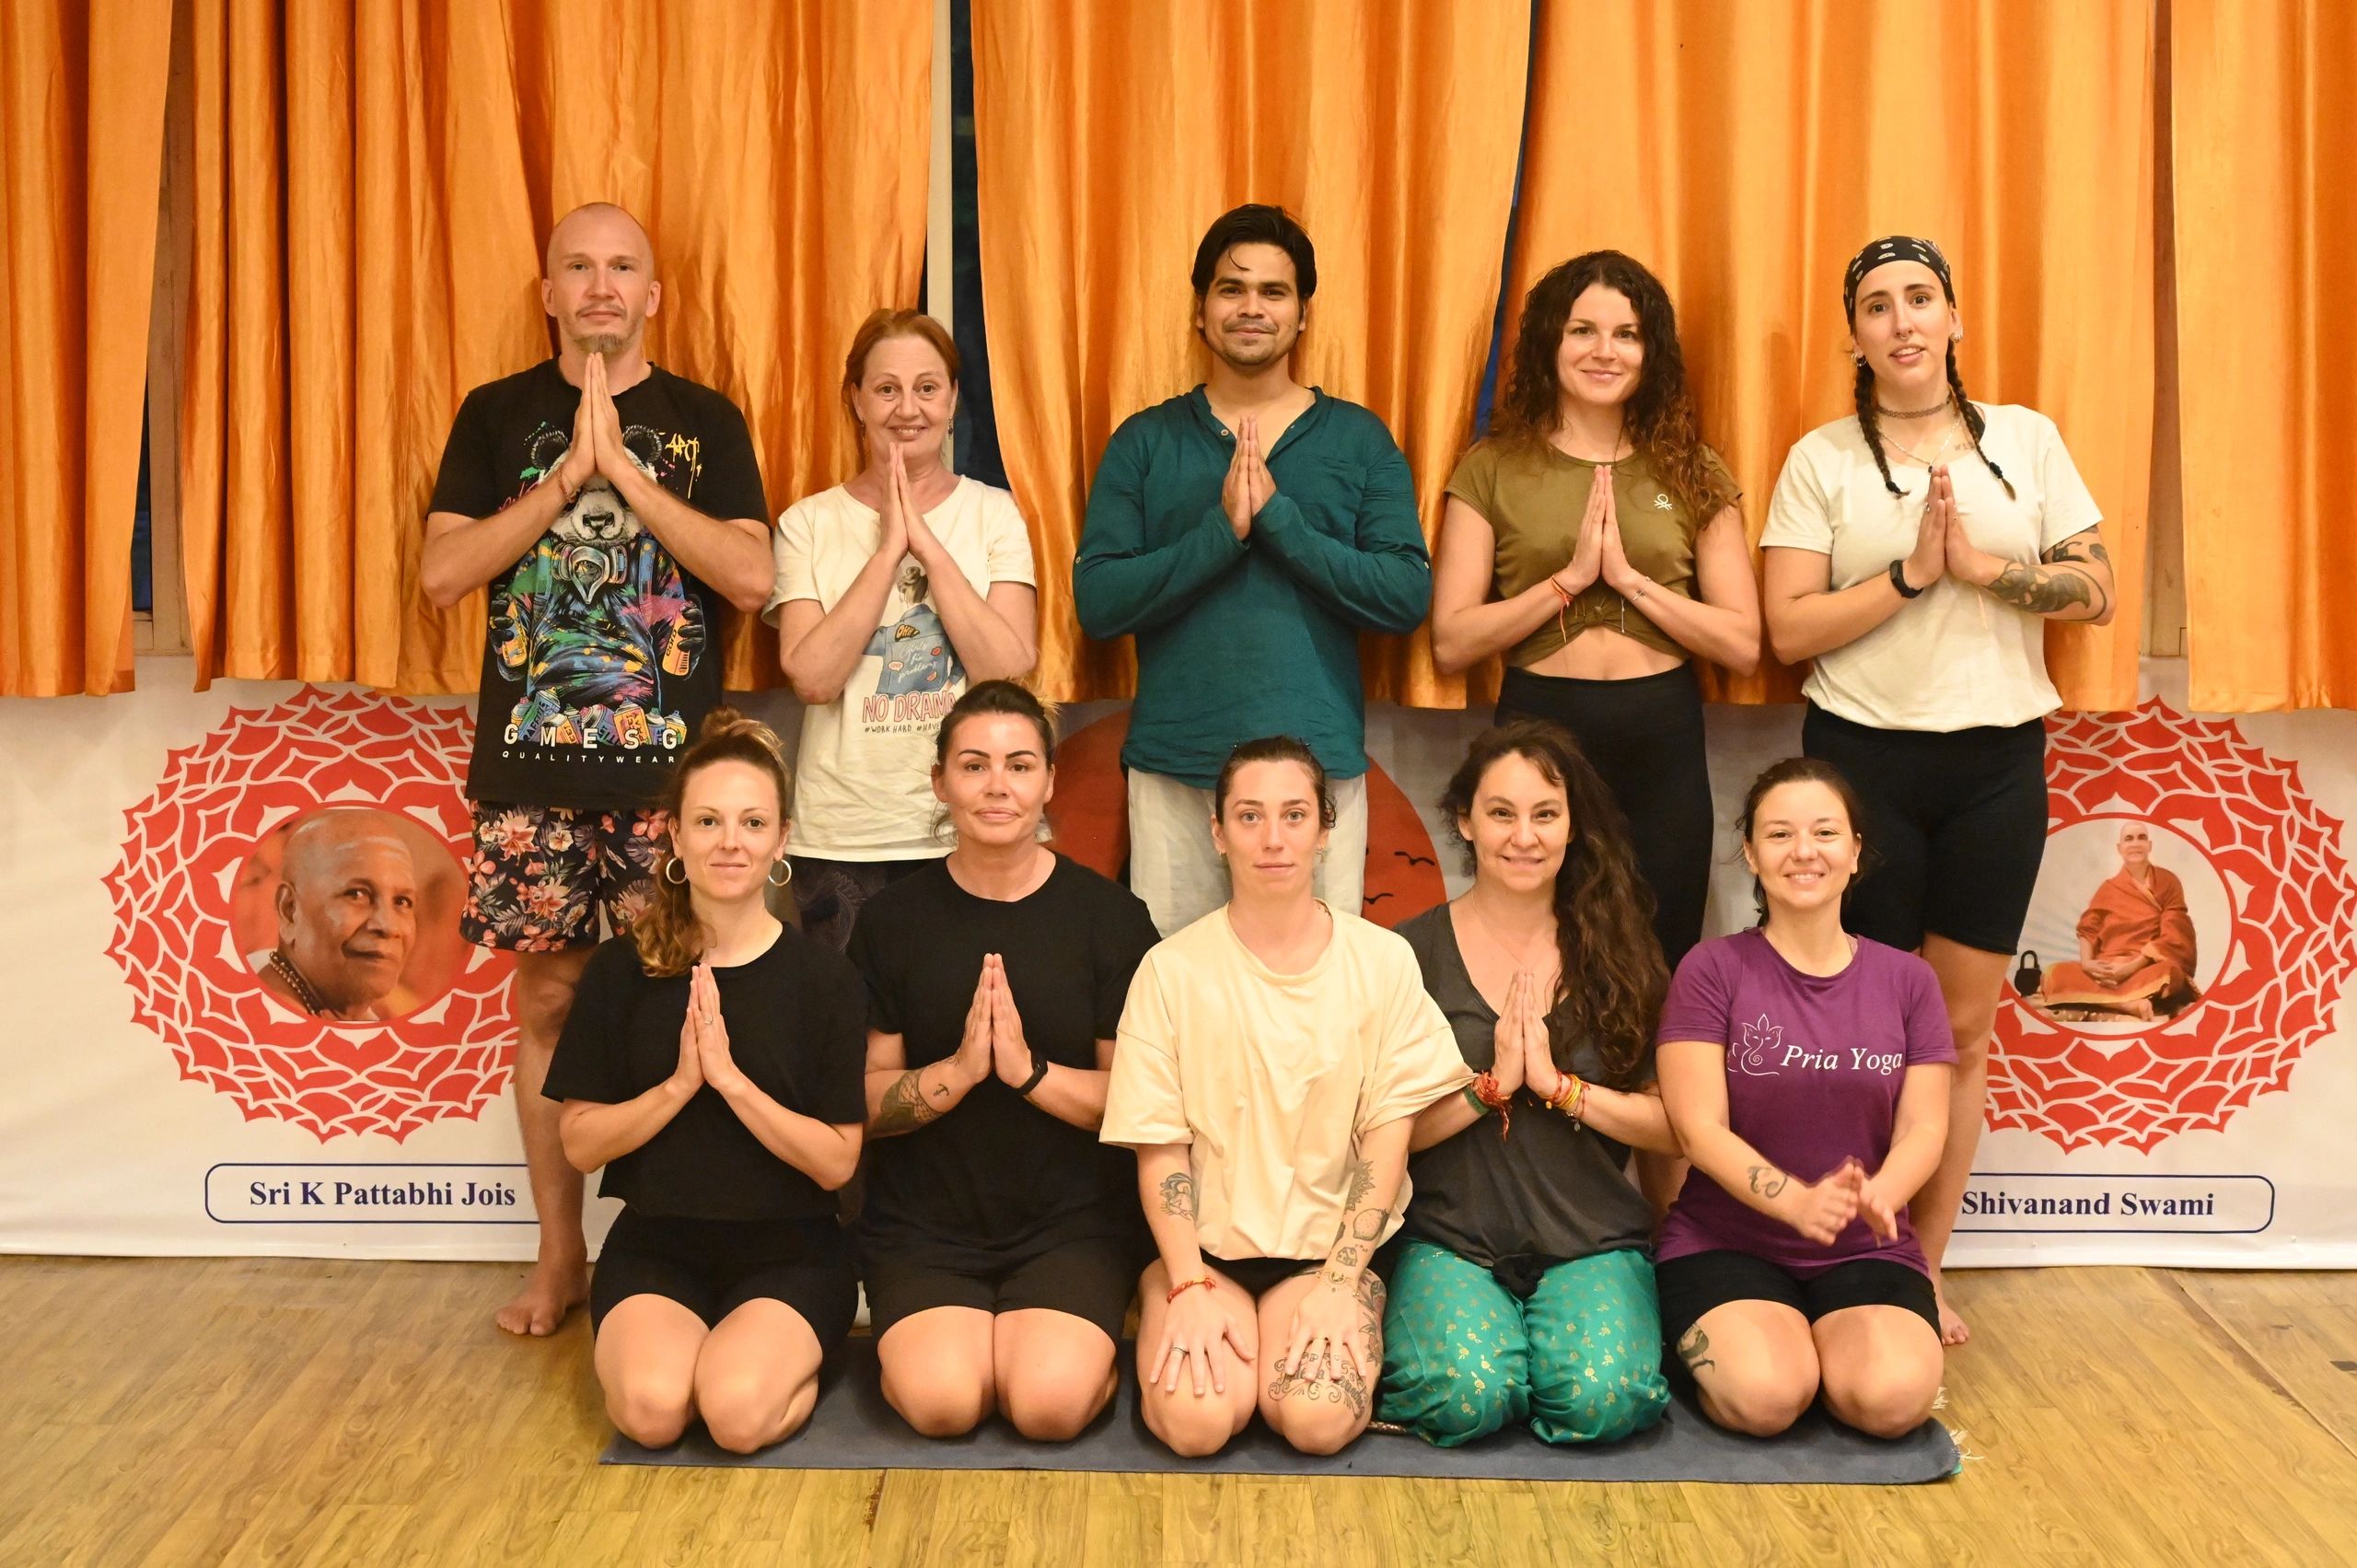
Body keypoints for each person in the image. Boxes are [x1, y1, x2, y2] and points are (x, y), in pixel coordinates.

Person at [423, 202, 774, 1336]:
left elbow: (751, 576)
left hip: (674, 785)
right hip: (531, 771)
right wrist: (564, 479)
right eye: (578, 266)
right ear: (548, 291)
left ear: (655, 293)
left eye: (623, 266)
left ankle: (679, 1249)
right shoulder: (495, 415)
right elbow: (441, 573)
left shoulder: (703, 420)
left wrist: (626, 469)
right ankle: (560, 1254)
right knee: (550, 1000)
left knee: (686, 1004)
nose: (601, 286)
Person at [1760, 235, 2116, 1346]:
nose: (1902, 321)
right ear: (1855, 334)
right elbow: (1786, 627)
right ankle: (1834, 1250)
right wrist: (1910, 575)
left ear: (1954, 317)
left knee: (1959, 1029)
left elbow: (2096, 589)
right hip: (1860, 762)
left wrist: (1985, 571)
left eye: (1921, 299)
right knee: (1855, 1024)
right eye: (1877, 305)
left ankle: (1918, 1262)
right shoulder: (1821, 456)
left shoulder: (2026, 439)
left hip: (1995, 763)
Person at [1100, 737, 1473, 1458]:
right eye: (1248, 816)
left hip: (1331, 1255)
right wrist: (1186, 1285)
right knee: (1196, 1423)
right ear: (1216, 831)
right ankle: (1166, 1298)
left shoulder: (1382, 960)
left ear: (1326, 829)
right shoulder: (1170, 970)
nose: (1273, 838)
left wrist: (1341, 1282)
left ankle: (1317, 1316)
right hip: (1206, 1254)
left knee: (1315, 1418)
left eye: (1295, 814)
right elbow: (1160, 1148)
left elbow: (1389, 1141)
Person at [1074, 204, 1434, 937]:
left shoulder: (1359, 439)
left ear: (1303, 314)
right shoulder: (1145, 441)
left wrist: (1278, 522)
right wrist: (1220, 533)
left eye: (1273, 292)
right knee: (1182, 994)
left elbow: (1405, 595)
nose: (1251, 308)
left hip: (1317, 771)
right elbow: (1099, 601)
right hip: (1177, 770)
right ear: (1201, 311)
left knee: (1320, 990)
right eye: (1231, 289)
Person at [541, 711, 867, 1454]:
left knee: (734, 1415)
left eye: (752, 822)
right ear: (676, 837)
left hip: (792, 1252)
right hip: (658, 1248)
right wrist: (680, 1085)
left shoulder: (826, 980)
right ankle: (710, 1357)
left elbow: (837, 1161)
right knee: (653, 1414)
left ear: (781, 840)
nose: (731, 840)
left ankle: (789, 1366)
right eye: (710, 820)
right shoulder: (623, 971)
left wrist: (732, 1082)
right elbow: (582, 1142)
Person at [845, 681, 1161, 1441]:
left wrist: (1028, 1074)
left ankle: (1090, 1345)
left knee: (1047, 1408)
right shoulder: (891, 921)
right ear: (940, 781)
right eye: (974, 764)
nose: (997, 785)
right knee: (944, 1404)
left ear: (1049, 781)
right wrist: (954, 1073)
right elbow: (861, 1101)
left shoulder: (1111, 918)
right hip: (924, 1226)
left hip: (1072, 1225)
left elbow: (1141, 1100)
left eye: (1019, 765)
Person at [1429, 251, 1760, 970]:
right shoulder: (1492, 466)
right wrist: (1568, 583)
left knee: (1661, 947)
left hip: (1661, 727)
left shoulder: (1692, 468)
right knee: (1539, 941)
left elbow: (1742, 642)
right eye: (1583, 330)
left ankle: (1646, 1090)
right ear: (1551, 341)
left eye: (1627, 334)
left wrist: (1632, 583)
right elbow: (1452, 640)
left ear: (1653, 351)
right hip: (1540, 726)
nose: (1605, 351)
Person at [1380, 722, 1679, 1446]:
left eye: (1545, 813)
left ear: (1573, 825)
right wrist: (1490, 1088)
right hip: (1448, 1237)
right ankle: (1500, 1352)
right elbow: (1377, 1139)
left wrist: (1559, 1087)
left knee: (1602, 1398)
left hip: (1592, 1238)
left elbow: (1673, 1124)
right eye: (1501, 813)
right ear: (1464, 820)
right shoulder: (1405, 951)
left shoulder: (1624, 948)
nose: (1524, 836)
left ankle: (1549, 1348)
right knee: (1466, 1395)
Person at [1654, 758, 1954, 1440]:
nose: (1804, 851)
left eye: (1824, 831)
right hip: (1723, 1241)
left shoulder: (1909, 980)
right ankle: (1769, 1349)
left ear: (1855, 852)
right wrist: (1796, 1200)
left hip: (1866, 1252)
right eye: (1780, 834)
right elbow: (1698, 1128)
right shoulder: (1712, 968)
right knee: (1765, 1398)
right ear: (1752, 855)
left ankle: (1818, 1348)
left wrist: (1882, 1194)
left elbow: (1925, 1126)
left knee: (1892, 1402)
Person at [771, 310, 1039, 949]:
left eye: (927, 387)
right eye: (886, 388)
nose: (907, 408)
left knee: (968, 1019)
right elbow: (812, 677)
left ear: (951, 400)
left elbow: (1006, 669)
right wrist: (888, 551)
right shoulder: (806, 523)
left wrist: (929, 547)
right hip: (840, 835)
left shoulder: (994, 514)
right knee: (850, 1034)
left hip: (972, 827)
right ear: (856, 399)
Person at [251, 811, 420, 1022]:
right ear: (290, 910)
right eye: (357, 894)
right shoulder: (270, 1018)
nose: (389, 926)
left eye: (402, 901)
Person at [2035, 823, 2199, 1020]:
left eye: (2141, 837)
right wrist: (2087, 964)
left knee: (2169, 974)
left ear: (2149, 845)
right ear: (2119, 848)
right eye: (2129, 839)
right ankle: (2127, 1004)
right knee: (2056, 973)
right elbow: (2088, 929)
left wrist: (2133, 966)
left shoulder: (2168, 881)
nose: (2135, 843)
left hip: (2145, 967)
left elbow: (2176, 930)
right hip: (2107, 967)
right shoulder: (2109, 888)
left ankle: (2111, 998)